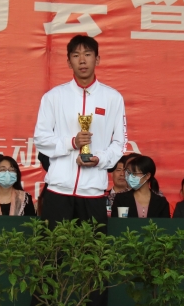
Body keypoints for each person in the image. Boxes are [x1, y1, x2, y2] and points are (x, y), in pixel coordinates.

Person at [33, 35, 127, 229]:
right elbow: (41, 138)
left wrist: (99, 159)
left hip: (93, 192)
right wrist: (72, 143)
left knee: (92, 246)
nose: (82, 60)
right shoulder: (54, 97)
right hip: (58, 190)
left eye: (88, 54)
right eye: (76, 55)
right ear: (69, 62)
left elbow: (120, 143)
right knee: (54, 246)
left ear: (97, 59)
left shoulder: (113, 98)